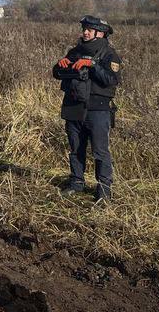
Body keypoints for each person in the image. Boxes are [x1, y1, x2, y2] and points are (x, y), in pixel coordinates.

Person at [52, 15, 121, 202]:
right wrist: (60, 66)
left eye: (89, 29)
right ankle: (76, 183)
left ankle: (104, 190)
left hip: (98, 110)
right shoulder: (74, 51)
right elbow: (56, 73)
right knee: (76, 148)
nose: (85, 31)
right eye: (84, 28)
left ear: (101, 33)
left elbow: (112, 80)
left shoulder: (109, 55)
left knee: (100, 151)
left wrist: (92, 65)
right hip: (73, 107)